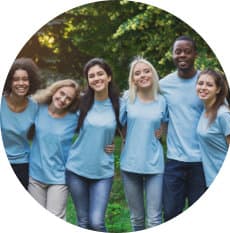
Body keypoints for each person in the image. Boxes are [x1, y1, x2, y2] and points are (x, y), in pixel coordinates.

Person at [65, 58, 121, 232]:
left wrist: (158, 131)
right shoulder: (80, 103)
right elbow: (58, 118)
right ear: (87, 81)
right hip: (76, 169)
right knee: (83, 222)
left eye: (100, 74)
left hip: (103, 171)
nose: (96, 78)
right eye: (91, 76)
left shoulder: (120, 104)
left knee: (96, 222)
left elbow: (133, 128)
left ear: (109, 77)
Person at [159, 36, 206, 221]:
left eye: (187, 51)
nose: (182, 55)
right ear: (172, 55)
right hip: (174, 161)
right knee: (170, 213)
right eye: (178, 51)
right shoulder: (164, 84)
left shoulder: (205, 82)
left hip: (201, 161)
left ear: (195, 54)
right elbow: (144, 100)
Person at [120, 57, 167, 231]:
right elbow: (118, 124)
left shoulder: (162, 100)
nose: (143, 75)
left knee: (155, 219)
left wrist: (160, 130)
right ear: (133, 79)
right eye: (137, 73)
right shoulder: (126, 99)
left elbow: (165, 122)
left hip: (155, 165)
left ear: (153, 74)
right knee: (137, 219)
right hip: (130, 164)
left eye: (146, 71)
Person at [28, 79, 80, 220]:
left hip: (59, 177)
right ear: (54, 91)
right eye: (61, 93)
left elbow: (95, 128)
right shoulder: (37, 108)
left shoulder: (75, 118)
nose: (63, 99)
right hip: (35, 175)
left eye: (68, 98)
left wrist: (107, 143)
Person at [0, 57, 41, 189]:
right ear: (9, 81)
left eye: (25, 79)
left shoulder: (35, 106)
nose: (21, 83)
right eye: (16, 79)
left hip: (24, 164)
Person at [196, 69, 230, 187]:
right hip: (210, 178)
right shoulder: (204, 111)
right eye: (200, 83)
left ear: (218, 89)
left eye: (209, 85)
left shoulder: (223, 115)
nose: (203, 87)